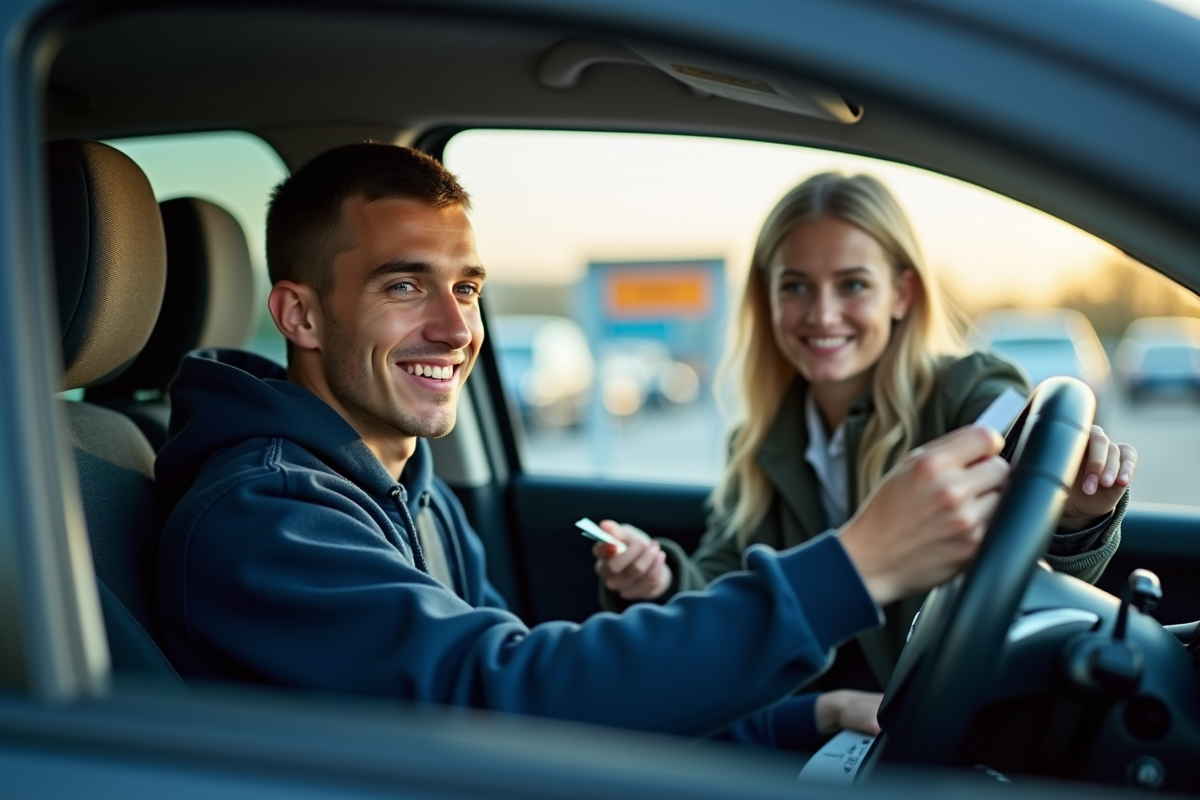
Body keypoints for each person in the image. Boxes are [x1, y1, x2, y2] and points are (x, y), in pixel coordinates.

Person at [155, 143, 1012, 749]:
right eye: (405, 285)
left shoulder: (408, 489)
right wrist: (856, 568)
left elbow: (539, 693)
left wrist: (811, 718)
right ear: (300, 315)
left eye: (468, 288)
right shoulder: (265, 518)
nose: (457, 328)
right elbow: (509, 697)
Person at [592, 172, 1136, 741]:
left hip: (944, 723)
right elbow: (726, 591)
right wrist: (660, 578)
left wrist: (1075, 518)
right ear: (767, 297)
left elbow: (1026, 573)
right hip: (828, 730)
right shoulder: (760, 440)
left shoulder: (974, 396)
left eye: (852, 286)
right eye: (796, 287)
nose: (822, 314)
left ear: (901, 293)